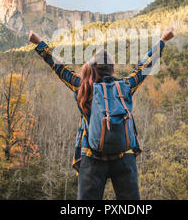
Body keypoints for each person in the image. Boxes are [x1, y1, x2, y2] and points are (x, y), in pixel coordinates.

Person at [29, 28, 174, 200]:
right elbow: (144, 65)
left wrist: (39, 43)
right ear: (112, 70)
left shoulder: (83, 87)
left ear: (92, 69)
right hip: (124, 154)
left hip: (92, 156)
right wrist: (163, 40)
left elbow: (59, 67)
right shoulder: (125, 86)